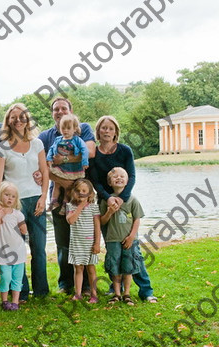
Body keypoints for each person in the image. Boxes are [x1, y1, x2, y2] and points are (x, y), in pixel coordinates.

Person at [89, 115, 157, 303]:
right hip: (105, 203)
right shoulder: (94, 153)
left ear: (116, 132)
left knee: (132, 249)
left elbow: (132, 176)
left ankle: (146, 290)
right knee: (113, 251)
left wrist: (121, 198)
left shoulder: (125, 151)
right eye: (103, 128)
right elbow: (94, 180)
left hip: (124, 202)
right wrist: (108, 198)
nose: (107, 131)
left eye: (111, 128)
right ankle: (116, 289)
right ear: (98, 131)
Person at [38, 97, 96, 295]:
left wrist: (62, 158)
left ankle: (87, 286)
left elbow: (90, 151)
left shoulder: (82, 128)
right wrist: (63, 182)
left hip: (81, 195)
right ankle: (66, 284)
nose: (60, 111)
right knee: (63, 243)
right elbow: (43, 165)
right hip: (59, 193)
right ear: (52, 113)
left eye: (64, 108)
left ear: (71, 111)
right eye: (56, 109)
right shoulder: (46, 136)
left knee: (84, 239)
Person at [0, 103, 49, 301]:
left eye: (22, 116)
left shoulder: (38, 144)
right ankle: (21, 292)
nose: (18, 120)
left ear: (28, 119)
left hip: (36, 200)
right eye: (13, 117)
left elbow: (44, 171)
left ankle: (42, 291)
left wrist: (44, 196)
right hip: (13, 204)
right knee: (17, 249)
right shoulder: (2, 148)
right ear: (8, 120)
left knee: (39, 248)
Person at [99, 167, 144, 306]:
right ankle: (117, 294)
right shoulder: (106, 201)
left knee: (128, 267)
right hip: (112, 239)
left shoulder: (132, 200)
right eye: (115, 177)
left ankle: (127, 294)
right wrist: (110, 212)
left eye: (122, 176)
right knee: (114, 267)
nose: (119, 178)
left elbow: (137, 219)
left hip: (129, 240)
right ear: (110, 182)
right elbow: (102, 221)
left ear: (127, 181)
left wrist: (131, 237)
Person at [0, 181, 28, 311]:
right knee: (6, 276)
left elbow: (24, 231)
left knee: (17, 278)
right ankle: (5, 301)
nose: (10, 198)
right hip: (3, 252)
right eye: (7, 195)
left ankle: (15, 302)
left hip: (18, 250)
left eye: (13, 196)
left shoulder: (17, 214)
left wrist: (22, 225)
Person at [66, 179, 100, 303]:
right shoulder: (70, 206)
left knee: (91, 269)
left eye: (84, 191)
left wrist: (97, 243)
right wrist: (80, 206)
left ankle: (94, 294)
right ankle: (78, 293)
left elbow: (97, 227)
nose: (81, 193)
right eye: (78, 191)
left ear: (90, 194)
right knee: (78, 268)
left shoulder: (93, 207)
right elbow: (70, 220)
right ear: (74, 192)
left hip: (90, 243)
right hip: (77, 243)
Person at [47, 114, 89, 213]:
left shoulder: (77, 140)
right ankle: (54, 202)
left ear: (75, 129)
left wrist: (84, 162)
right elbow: (51, 149)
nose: (65, 130)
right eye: (63, 128)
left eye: (68, 128)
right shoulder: (58, 139)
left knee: (68, 188)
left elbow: (85, 150)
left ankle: (65, 205)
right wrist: (49, 158)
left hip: (72, 169)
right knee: (56, 184)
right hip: (61, 168)